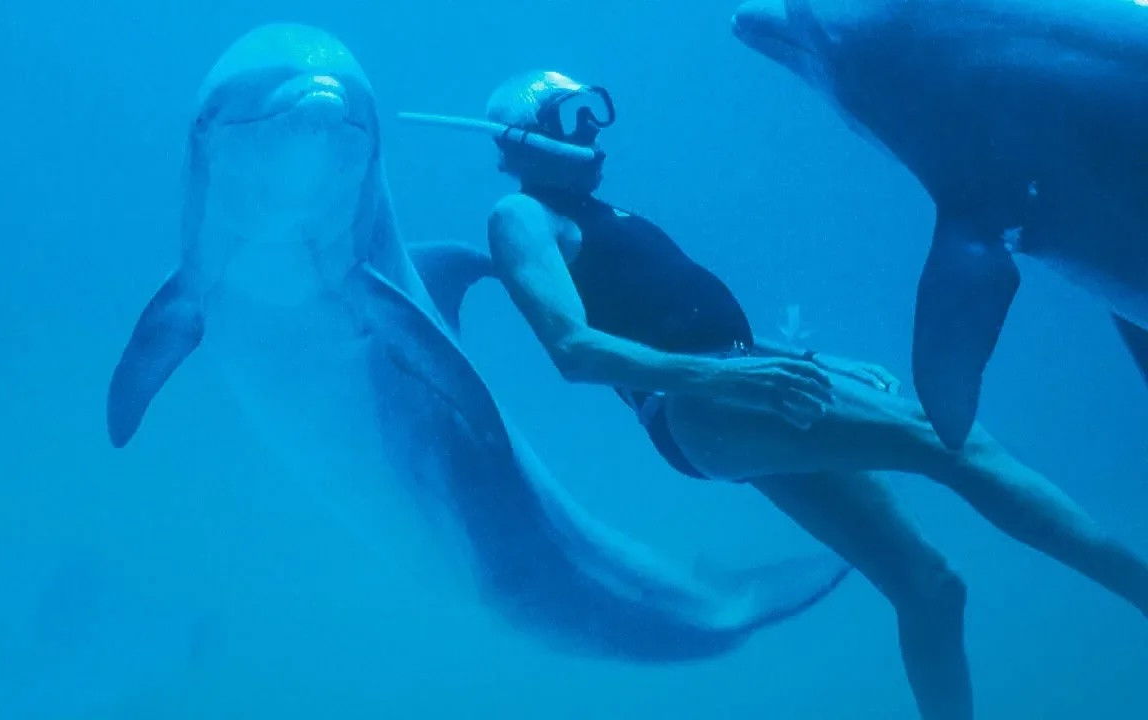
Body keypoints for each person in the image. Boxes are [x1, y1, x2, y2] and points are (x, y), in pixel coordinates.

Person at [401, 71, 1148, 720]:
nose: (594, 132)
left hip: (740, 390)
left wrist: (810, 360)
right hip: (704, 407)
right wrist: (727, 377)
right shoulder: (521, 217)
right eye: (574, 119)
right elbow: (573, 351)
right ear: (524, 138)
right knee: (956, 441)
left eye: (595, 115)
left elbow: (699, 327)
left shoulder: (603, 217)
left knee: (929, 586)